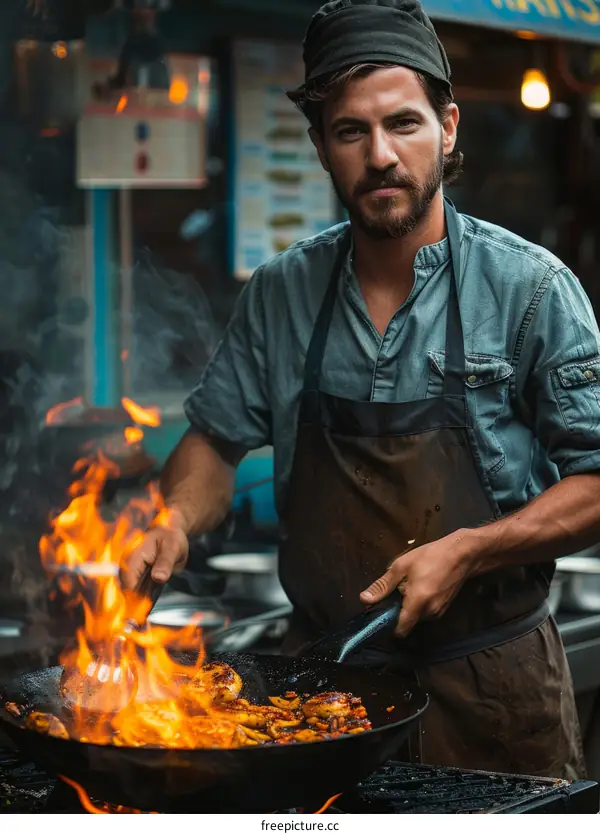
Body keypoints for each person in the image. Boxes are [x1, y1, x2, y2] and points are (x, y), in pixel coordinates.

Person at [125, 0, 600, 778]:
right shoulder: (281, 292)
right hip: (321, 692)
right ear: (320, 147)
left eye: (404, 124)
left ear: (447, 129)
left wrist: (474, 550)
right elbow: (214, 440)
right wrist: (174, 519)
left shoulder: (531, 291)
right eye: (352, 131)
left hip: (494, 696)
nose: (381, 155)